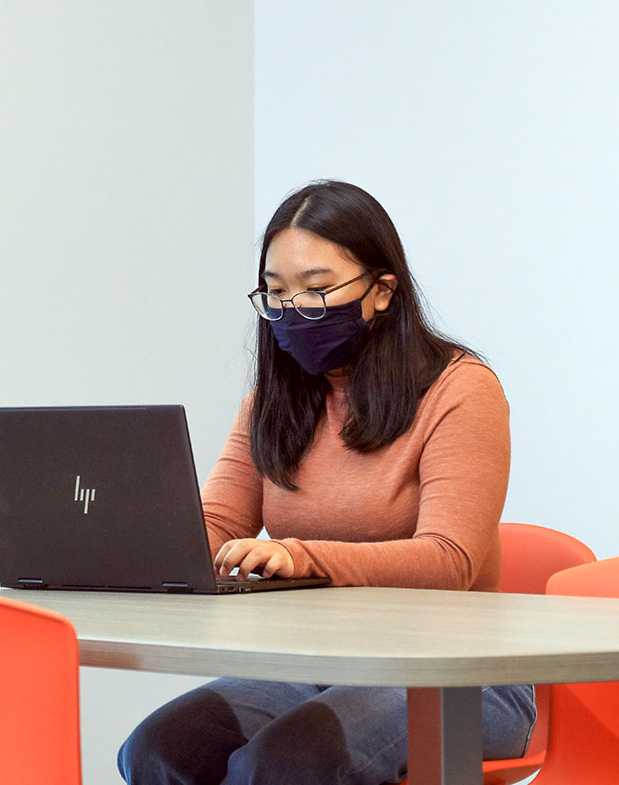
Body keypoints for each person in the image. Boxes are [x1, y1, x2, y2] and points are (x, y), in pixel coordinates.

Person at [118, 180, 534, 785]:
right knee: (159, 749)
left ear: (382, 291)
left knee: (289, 763)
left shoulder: (460, 389)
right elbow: (216, 525)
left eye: (316, 289)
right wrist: (131, 545)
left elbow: (452, 562)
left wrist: (297, 556)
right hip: (316, 662)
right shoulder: (274, 398)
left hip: (458, 671)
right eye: (276, 292)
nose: (293, 310)